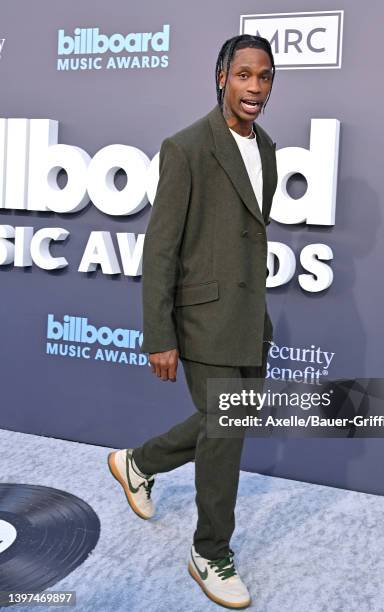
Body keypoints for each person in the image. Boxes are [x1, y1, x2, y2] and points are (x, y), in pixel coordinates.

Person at [108, 34, 277, 609]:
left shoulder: (269, 148)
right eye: (244, 75)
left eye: (265, 77)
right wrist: (160, 334)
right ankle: (210, 553)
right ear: (221, 78)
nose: (255, 87)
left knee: (223, 418)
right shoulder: (185, 147)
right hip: (202, 318)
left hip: (251, 318)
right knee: (226, 431)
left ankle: (137, 463)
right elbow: (160, 250)